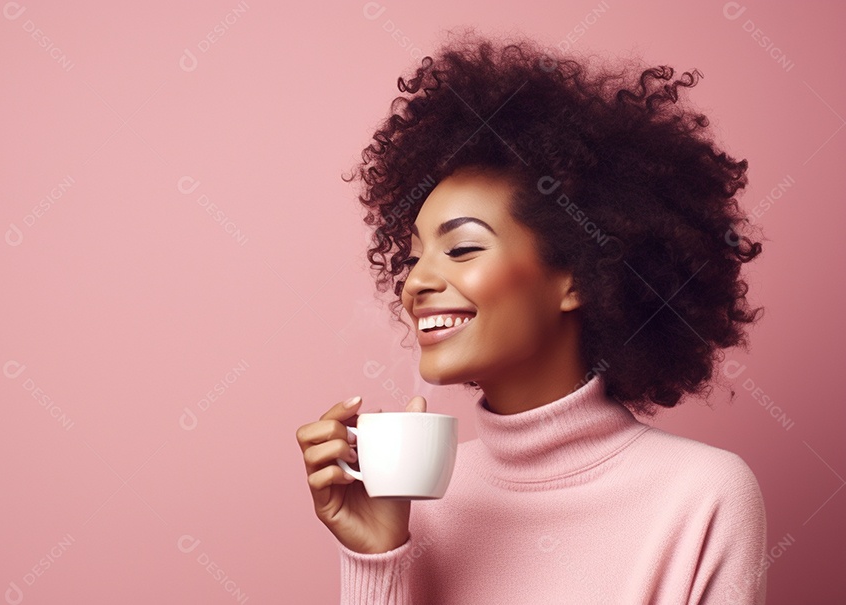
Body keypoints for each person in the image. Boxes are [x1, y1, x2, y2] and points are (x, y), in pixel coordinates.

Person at [295, 28, 768, 604]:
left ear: (576, 276)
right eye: (414, 258)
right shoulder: (409, 500)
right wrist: (375, 559)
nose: (415, 283)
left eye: (462, 249)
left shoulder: (701, 496)